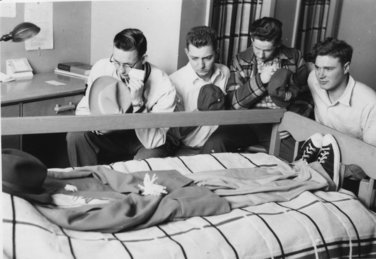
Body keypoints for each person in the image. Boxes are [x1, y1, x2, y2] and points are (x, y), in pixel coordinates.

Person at [67, 28, 177, 167]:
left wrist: (138, 104)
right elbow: (82, 110)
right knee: (76, 135)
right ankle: (86, 181)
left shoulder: (164, 85)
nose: (120, 70)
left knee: (145, 161)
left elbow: (154, 141)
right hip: (112, 134)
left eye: (127, 65)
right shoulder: (102, 67)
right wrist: (99, 126)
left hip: (144, 139)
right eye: (116, 62)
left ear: (143, 59)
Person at [203, 17, 312, 157]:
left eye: (267, 50)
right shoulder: (240, 59)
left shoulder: (294, 57)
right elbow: (235, 103)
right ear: (251, 39)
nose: (261, 55)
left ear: (278, 44)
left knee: (299, 158)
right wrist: (260, 80)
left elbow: (306, 97)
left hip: (280, 122)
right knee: (214, 144)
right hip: (245, 121)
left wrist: (292, 122)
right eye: (257, 48)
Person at [307, 38, 376, 192]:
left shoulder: (371, 104)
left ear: (346, 68)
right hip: (320, 160)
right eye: (318, 67)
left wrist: (338, 172)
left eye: (328, 69)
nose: (321, 75)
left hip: (353, 176)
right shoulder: (314, 80)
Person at [169, 26, 230, 154]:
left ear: (217, 52)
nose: (201, 65)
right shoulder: (174, 82)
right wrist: (200, 111)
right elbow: (174, 132)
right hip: (188, 149)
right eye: (194, 58)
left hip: (220, 145)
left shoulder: (224, 72)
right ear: (187, 53)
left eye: (207, 58)